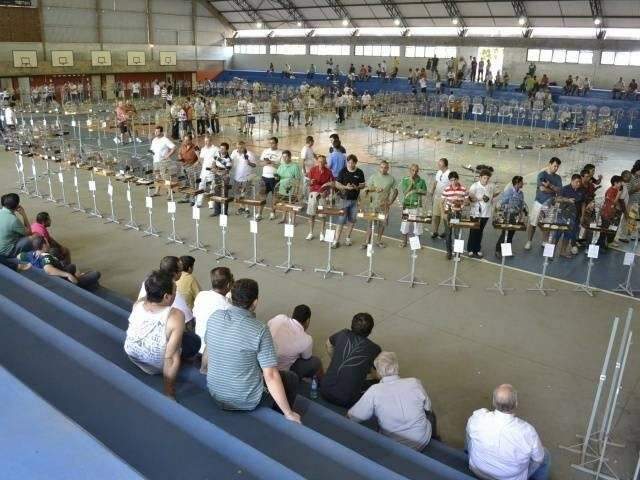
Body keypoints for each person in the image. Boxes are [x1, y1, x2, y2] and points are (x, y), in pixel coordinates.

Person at [205, 279, 301, 423]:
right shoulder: (260, 330)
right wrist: (289, 413)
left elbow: (208, 349)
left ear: (231, 296)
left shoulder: (215, 316)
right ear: (255, 303)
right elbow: (271, 375)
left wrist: (203, 368)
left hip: (215, 392)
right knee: (290, 378)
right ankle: (280, 417)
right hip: (244, 400)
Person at [125, 270, 200, 399]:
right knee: (193, 340)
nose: (176, 294)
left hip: (133, 354)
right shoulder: (175, 316)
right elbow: (170, 357)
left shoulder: (138, 304)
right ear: (166, 296)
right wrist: (169, 392)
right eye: (175, 291)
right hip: (156, 364)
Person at [348, 352, 433, 451]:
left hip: (393, 444)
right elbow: (428, 408)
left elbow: (354, 417)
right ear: (397, 367)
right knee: (430, 413)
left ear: (378, 372)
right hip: (421, 440)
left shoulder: (374, 390)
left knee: (372, 414)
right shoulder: (414, 382)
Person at [466, 384, 549, 480]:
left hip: (477, 469)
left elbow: (468, 432)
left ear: (493, 402)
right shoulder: (527, 431)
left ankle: (468, 453)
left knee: (470, 429)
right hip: (508, 478)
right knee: (545, 455)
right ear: (516, 404)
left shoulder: (478, 417)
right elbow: (538, 460)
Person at [320, 313, 381, 408]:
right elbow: (378, 375)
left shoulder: (343, 333)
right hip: (347, 401)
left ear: (351, 325)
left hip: (324, 390)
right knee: (378, 382)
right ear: (370, 331)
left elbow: (328, 343)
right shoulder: (375, 349)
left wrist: (335, 357)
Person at [17, 235, 100, 289]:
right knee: (96, 273)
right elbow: (48, 269)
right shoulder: (46, 257)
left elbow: (19, 255)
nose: (48, 243)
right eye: (46, 242)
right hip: (65, 280)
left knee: (72, 266)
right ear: (44, 245)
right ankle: (81, 281)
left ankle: (79, 276)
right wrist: (67, 275)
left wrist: (29, 264)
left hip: (58, 272)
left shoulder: (32, 254)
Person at [268, 305, 323, 380]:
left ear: (293, 315)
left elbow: (268, 327)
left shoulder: (279, 318)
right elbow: (306, 357)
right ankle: (320, 385)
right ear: (307, 321)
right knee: (315, 362)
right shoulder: (307, 339)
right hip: (280, 374)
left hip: (262, 363)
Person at [138, 256, 194, 325]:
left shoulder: (147, 282)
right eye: (181, 270)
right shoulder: (174, 295)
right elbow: (189, 321)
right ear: (175, 274)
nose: (182, 273)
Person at [194, 267, 232, 360]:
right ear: (228, 284)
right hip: (213, 353)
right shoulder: (228, 307)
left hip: (198, 345)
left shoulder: (201, 295)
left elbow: (195, 317)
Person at [525, 157, 562, 250]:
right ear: (549, 164)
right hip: (539, 202)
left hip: (550, 205)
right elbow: (542, 189)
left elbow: (559, 190)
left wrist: (549, 185)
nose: (556, 168)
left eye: (557, 167)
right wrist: (553, 190)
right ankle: (529, 241)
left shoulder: (558, 178)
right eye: (554, 166)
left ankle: (544, 241)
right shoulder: (542, 174)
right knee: (533, 223)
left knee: (547, 224)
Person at [364, 160, 398, 248]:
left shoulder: (391, 179)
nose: (383, 169)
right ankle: (367, 242)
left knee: (382, 224)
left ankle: (378, 241)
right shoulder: (373, 177)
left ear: (388, 168)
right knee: (370, 223)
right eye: (382, 167)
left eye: (385, 168)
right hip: (373, 205)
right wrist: (375, 189)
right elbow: (366, 189)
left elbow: (395, 191)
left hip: (384, 207)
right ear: (379, 167)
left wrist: (391, 202)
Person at [334, 154, 365, 248]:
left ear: (355, 163)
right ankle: (336, 241)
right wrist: (345, 187)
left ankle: (347, 238)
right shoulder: (343, 171)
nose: (350, 164)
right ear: (347, 162)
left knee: (352, 221)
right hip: (344, 200)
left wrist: (357, 187)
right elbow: (337, 184)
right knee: (341, 221)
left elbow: (363, 185)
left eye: (352, 163)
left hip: (354, 201)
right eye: (349, 162)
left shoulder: (359, 172)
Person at [467, 170, 498, 258]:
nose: (486, 180)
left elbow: (497, 192)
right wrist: (479, 199)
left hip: (486, 213)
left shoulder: (491, 186)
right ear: (480, 177)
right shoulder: (475, 186)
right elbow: (470, 197)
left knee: (480, 231)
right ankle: (470, 249)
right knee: (473, 231)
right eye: (484, 178)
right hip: (475, 212)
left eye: (488, 178)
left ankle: (477, 249)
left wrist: (491, 198)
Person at [495, 176, 526, 258]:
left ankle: (506, 251)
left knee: (511, 233)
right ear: (517, 183)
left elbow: (521, 205)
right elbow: (503, 202)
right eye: (521, 182)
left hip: (515, 216)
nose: (523, 183)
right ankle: (498, 250)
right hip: (507, 215)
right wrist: (500, 213)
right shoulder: (508, 191)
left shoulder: (521, 193)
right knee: (505, 233)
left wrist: (520, 214)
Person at [398, 164, 428, 248]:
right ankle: (404, 242)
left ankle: (416, 244)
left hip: (417, 206)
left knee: (417, 225)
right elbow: (405, 192)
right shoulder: (405, 179)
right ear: (410, 170)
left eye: (416, 171)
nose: (414, 172)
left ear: (418, 171)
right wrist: (411, 184)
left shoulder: (421, 181)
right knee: (405, 224)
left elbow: (425, 192)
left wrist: (417, 190)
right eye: (413, 170)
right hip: (407, 205)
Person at [305, 154, 334, 241]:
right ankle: (310, 233)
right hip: (313, 194)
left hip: (323, 195)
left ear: (325, 162)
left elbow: (332, 184)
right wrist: (311, 182)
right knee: (312, 214)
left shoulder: (329, 172)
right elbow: (308, 183)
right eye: (319, 161)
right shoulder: (313, 170)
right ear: (317, 161)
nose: (320, 163)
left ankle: (322, 233)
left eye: (322, 161)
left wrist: (327, 192)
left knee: (322, 215)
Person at [442, 172, 469, 260]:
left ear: (458, 179)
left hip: (458, 214)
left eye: (455, 179)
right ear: (449, 180)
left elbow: (467, 202)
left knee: (458, 234)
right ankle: (448, 252)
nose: (453, 182)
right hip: (448, 214)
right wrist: (444, 214)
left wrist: (460, 202)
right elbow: (442, 202)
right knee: (448, 233)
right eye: (451, 180)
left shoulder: (463, 189)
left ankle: (457, 254)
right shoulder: (446, 189)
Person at [0, 193, 33, 262]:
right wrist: (23, 214)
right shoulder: (13, 220)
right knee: (33, 238)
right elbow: (29, 232)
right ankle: (32, 258)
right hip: (6, 252)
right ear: (17, 205)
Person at [257, 137, 283, 220]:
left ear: (276, 143)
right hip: (264, 177)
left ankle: (272, 212)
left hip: (275, 178)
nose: (271, 145)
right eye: (270, 143)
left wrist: (271, 162)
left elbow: (281, 166)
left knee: (274, 196)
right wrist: (265, 163)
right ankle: (259, 213)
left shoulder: (280, 153)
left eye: (273, 143)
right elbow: (260, 163)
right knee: (262, 196)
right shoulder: (265, 151)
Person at [275, 150, 302, 223]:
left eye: (286, 156)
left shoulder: (295, 166)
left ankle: (293, 221)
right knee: (284, 204)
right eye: (283, 157)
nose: (284, 158)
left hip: (291, 189)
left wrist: (296, 190)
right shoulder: (281, 166)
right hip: (282, 188)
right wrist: (276, 177)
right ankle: (284, 218)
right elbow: (278, 177)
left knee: (292, 205)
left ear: (290, 157)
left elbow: (298, 179)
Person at [150, 126, 176, 197]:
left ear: (161, 132)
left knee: (165, 177)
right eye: (155, 131)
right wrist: (151, 153)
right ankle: (157, 191)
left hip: (163, 162)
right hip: (155, 161)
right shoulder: (154, 140)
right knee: (157, 176)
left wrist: (168, 155)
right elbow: (152, 150)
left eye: (157, 131)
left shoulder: (165, 140)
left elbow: (173, 148)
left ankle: (170, 193)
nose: (156, 132)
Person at [430, 158, 451, 239]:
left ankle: (446, 232)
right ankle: (435, 231)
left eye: (440, 163)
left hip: (445, 199)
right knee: (436, 216)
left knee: (445, 217)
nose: (438, 165)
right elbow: (436, 182)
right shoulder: (439, 172)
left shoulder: (449, 173)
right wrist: (432, 191)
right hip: (437, 197)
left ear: (445, 164)